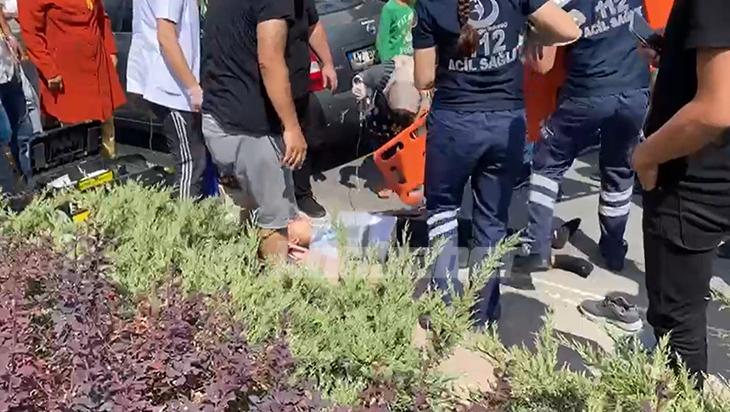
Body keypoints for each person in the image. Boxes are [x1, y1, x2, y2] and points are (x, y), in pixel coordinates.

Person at [412, 0, 581, 326]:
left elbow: (423, 78)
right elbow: (568, 30)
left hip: (454, 123)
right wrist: (531, 35)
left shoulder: (430, 4)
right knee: (492, 220)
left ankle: (444, 305)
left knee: (443, 212)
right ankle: (484, 312)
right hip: (506, 123)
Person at [631, 0, 730, 389]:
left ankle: (682, 399)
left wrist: (645, 156)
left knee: (676, 325)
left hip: (694, 183)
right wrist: (679, 50)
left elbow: (715, 110)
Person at [513, 0, 651, 277]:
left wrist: (530, 32)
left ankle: (536, 248)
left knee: (547, 163)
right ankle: (613, 250)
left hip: (587, 93)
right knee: (619, 170)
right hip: (635, 89)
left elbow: (542, 64)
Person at [201, 0, 308, 261]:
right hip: (251, 129)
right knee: (274, 222)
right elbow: (269, 61)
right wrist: (292, 127)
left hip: (218, 117)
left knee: (248, 213)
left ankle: (244, 274)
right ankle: (273, 284)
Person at [19, 0, 126, 159]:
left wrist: (110, 50)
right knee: (77, 137)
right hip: (68, 76)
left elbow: (100, 15)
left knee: (106, 127)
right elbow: (31, 34)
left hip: (98, 69)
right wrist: (49, 70)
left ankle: (108, 164)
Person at [127, 0, 207, 200]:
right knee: (190, 162)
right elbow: (166, 37)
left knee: (190, 158)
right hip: (173, 89)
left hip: (168, 84)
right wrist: (192, 87)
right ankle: (185, 214)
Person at [290, 0, 337, 219]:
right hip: (269, 86)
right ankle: (290, 196)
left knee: (313, 136)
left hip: (300, 84)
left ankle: (302, 192)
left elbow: (313, 26)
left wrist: (327, 63)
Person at [0, 1, 34, 185]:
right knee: (4, 132)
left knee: (22, 126)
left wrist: (9, 36)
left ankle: (28, 178)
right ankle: (11, 185)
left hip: (6, 67)